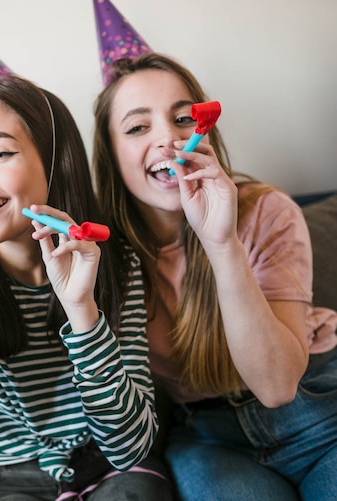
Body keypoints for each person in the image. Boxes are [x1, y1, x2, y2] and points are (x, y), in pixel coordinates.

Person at [91, 52, 337, 500]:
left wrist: (221, 243)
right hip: (208, 436)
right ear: (110, 154)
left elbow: (278, 386)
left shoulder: (267, 212)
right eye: (138, 127)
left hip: (315, 408)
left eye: (183, 118)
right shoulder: (100, 254)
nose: (168, 137)